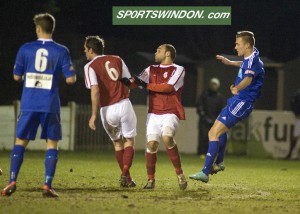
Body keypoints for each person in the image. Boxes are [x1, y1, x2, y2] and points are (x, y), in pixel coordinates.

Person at [1, 13, 76, 197]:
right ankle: (47, 185)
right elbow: (71, 79)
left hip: (29, 103)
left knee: (21, 141)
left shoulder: (25, 49)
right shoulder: (61, 50)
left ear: (38, 28)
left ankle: (12, 181)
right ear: (52, 28)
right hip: (49, 104)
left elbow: (17, 76)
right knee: (52, 143)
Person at [189, 31, 265, 183]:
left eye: (238, 44)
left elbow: (248, 79)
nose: (235, 47)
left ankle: (205, 172)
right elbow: (244, 65)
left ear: (248, 45)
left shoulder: (253, 61)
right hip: (237, 100)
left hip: (242, 101)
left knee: (213, 133)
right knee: (220, 131)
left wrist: (237, 88)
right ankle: (220, 162)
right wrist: (230, 62)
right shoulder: (251, 58)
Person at [122, 44, 187, 190]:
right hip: (153, 113)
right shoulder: (150, 69)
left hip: (171, 112)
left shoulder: (179, 69)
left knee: (167, 137)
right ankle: (151, 180)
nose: (155, 52)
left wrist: (145, 85)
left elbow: (168, 87)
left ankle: (180, 174)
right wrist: (127, 82)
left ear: (168, 54)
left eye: (159, 50)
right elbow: (136, 81)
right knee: (151, 145)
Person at [83, 36, 137, 188]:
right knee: (129, 141)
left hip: (106, 109)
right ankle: (125, 173)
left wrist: (93, 115)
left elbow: (95, 89)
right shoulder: (117, 59)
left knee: (117, 143)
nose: (85, 52)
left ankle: (128, 178)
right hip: (124, 104)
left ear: (91, 50)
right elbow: (129, 81)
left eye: (85, 49)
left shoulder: (89, 66)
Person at [196, 78, 225, 158]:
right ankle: (202, 153)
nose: (213, 86)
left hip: (215, 121)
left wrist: (218, 120)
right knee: (203, 137)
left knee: (214, 138)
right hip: (204, 120)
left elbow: (221, 110)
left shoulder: (219, 97)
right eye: (212, 84)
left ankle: (212, 153)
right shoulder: (204, 95)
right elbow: (199, 106)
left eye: (215, 85)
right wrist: (203, 116)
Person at [285, 89, 300, 159]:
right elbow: (293, 103)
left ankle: (289, 155)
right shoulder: (298, 94)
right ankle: (289, 154)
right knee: (295, 136)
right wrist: (297, 113)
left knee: (294, 136)